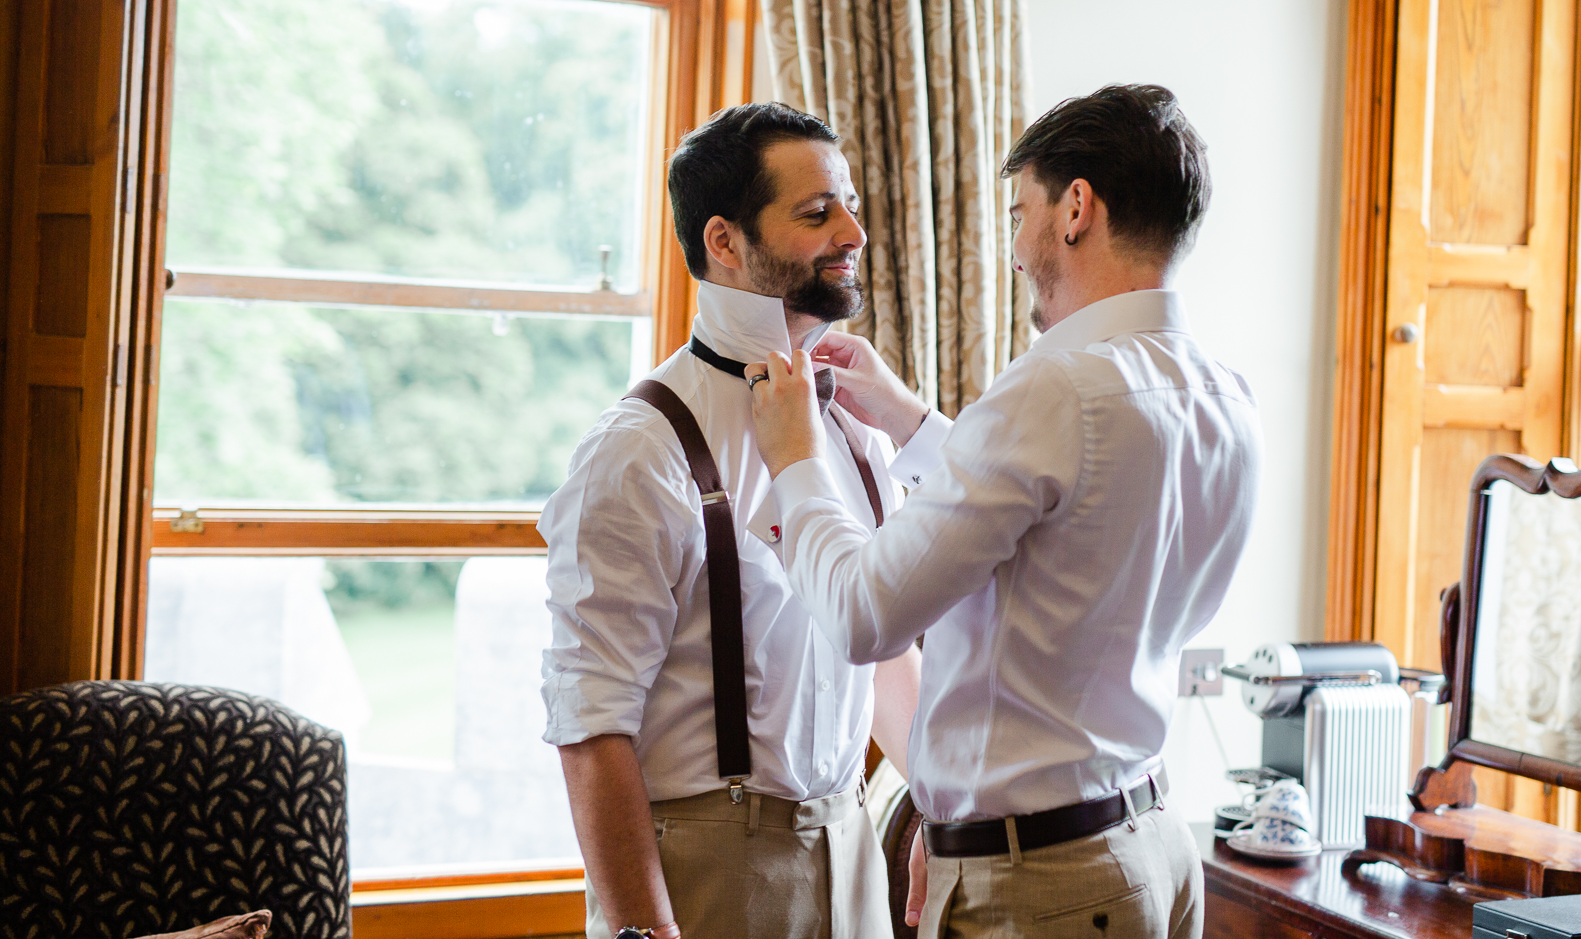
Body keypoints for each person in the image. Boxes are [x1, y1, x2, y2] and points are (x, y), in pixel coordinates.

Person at [746, 83, 1263, 939]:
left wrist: (796, 457)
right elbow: (1076, 519)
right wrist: (914, 422)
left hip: (1046, 884)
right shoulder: (1223, 393)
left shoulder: (1056, 390)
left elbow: (864, 614)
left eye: (1020, 211)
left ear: (1076, 210)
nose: (1017, 249)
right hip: (1153, 848)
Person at [538, 103, 923, 939]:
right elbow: (590, 725)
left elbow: (884, 650)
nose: (853, 231)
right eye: (817, 212)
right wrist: (650, 932)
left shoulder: (860, 427)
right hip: (705, 876)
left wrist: (942, 813)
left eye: (849, 204)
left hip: (854, 860)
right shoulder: (638, 450)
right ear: (724, 241)